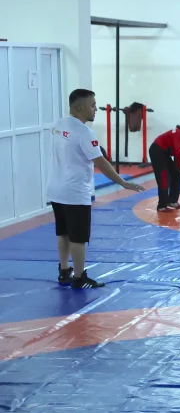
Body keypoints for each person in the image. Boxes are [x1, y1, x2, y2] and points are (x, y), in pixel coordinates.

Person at [47, 89, 146, 288]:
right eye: (92, 105)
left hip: (56, 189)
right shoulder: (84, 132)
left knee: (63, 233)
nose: (95, 109)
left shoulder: (58, 124)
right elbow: (102, 163)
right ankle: (79, 276)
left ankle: (64, 270)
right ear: (80, 107)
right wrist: (123, 183)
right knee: (78, 238)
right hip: (75, 192)